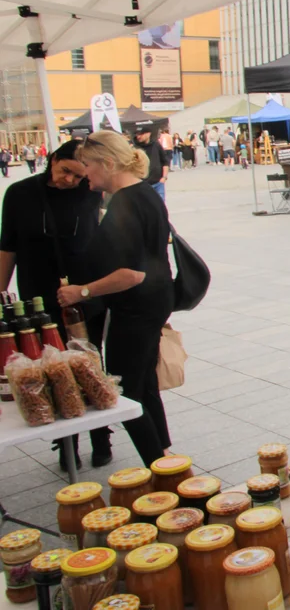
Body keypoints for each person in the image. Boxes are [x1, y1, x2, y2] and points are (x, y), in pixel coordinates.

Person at [61, 131, 175, 466]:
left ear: (108, 163)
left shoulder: (126, 202)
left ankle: (161, 467)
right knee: (145, 386)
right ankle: (166, 459)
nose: (85, 175)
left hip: (136, 309)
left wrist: (81, 292)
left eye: (87, 166)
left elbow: (132, 274)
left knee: (126, 395)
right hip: (152, 303)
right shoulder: (146, 193)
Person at [1, 139, 112, 469]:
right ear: (52, 161)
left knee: (89, 365)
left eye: (79, 175)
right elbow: (8, 246)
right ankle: (66, 443)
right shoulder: (20, 194)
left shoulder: (91, 190)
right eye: (66, 172)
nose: (71, 181)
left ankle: (100, 434)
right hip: (39, 297)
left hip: (83, 294)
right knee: (51, 369)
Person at [132, 129, 170, 203]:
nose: (138, 136)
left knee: (160, 206)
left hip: (158, 183)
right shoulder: (135, 148)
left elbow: (165, 161)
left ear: (148, 134)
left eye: (141, 134)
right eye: (137, 134)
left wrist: (164, 177)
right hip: (142, 185)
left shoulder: (156, 145)